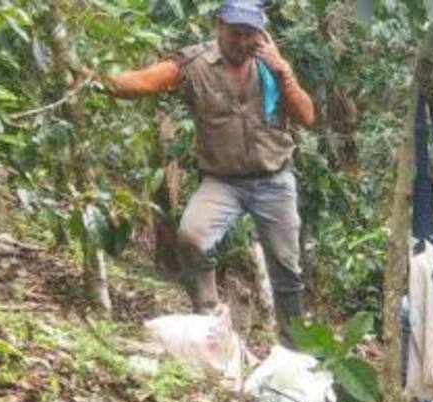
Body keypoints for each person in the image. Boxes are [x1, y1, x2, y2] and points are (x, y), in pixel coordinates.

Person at [97, 0, 315, 346]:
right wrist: (93, 82)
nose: (243, 41)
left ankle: (294, 350)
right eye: (235, 33)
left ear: (260, 33)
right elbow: (143, 82)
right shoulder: (194, 64)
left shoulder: (270, 66)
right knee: (193, 238)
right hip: (222, 180)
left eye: (250, 34)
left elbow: (307, 116)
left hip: (274, 178)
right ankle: (210, 324)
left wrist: (283, 71)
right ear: (219, 26)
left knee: (287, 270)